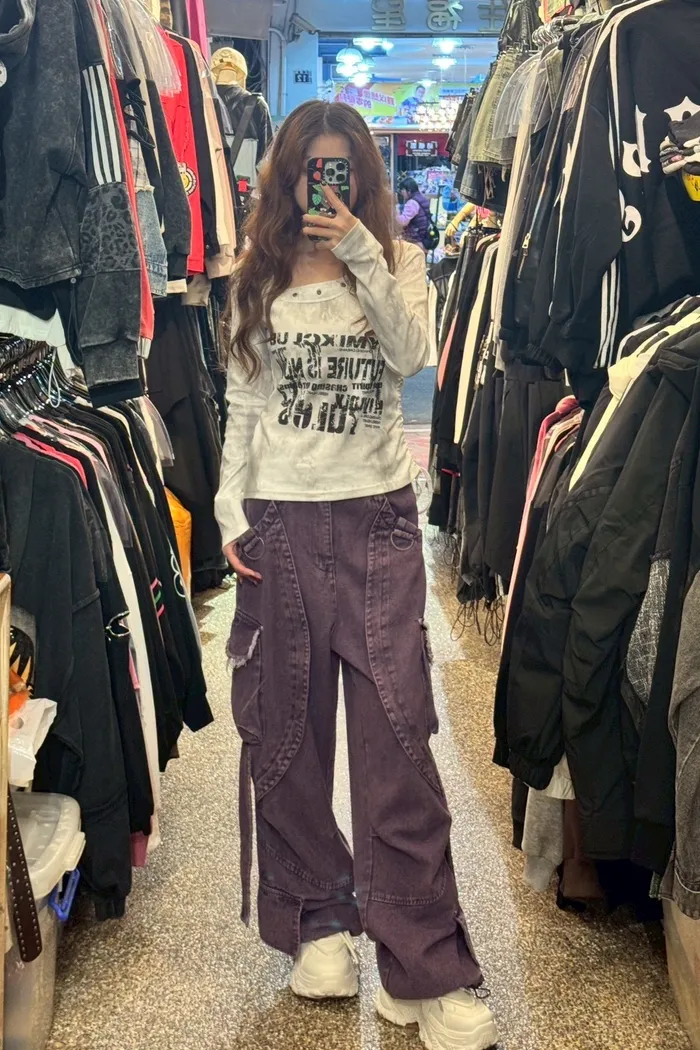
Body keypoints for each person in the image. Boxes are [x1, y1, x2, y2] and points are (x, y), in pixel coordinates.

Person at [215, 99, 498, 1050]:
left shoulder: (399, 262)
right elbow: (242, 406)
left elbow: (414, 355)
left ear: (363, 180)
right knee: (285, 736)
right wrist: (228, 509)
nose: (324, 186)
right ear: (287, 177)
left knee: (399, 742)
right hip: (277, 521)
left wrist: (364, 254)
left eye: (341, 170)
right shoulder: (254, 276)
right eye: (311, 169)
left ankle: (424, 962)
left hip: (376, 520)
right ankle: (318, 924)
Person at [397, 176, 433, 249]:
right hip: (424, 236)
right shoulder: (422, 197)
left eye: (402, 190)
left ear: (409, 190)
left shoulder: (412, 203)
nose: (401, 193)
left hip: (416, 239)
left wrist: (395, 211)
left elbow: (403, 222)